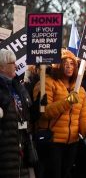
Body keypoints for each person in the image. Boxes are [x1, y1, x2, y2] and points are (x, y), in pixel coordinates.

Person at [33, 49, 86, 178]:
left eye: (72, 63)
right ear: (57, 65)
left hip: (72, 142)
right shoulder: (46, 83)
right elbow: (44, 112)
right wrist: (67, 102)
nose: (69, 66)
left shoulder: (80, 90)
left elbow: (84, 116)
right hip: (52, 142)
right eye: (65, 63)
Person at [0, 49, 34, 178]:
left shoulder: (17, 86)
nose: (15, 65)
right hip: (6, 151)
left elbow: (28, 112)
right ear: (2, 67)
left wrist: (39, 105)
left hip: (22, 147)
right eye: (12, 63)